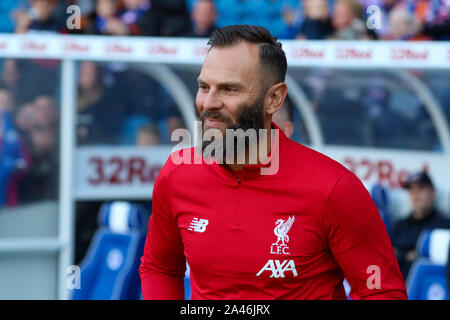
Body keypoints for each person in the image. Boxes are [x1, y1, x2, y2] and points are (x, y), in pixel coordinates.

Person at [139, 24, 407, 300]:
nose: (209, 102)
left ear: (274, 99)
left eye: (229, 90)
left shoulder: (333, 189)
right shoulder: (178, 174)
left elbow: (381, 290)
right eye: (204, 87)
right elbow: (160, 267)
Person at [390, 171, 450, 280]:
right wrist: (407, 256)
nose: (415, 195)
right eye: (412, 191)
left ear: (432, 192)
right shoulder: (399, 225)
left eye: (420, 189)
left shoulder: (444, 225)